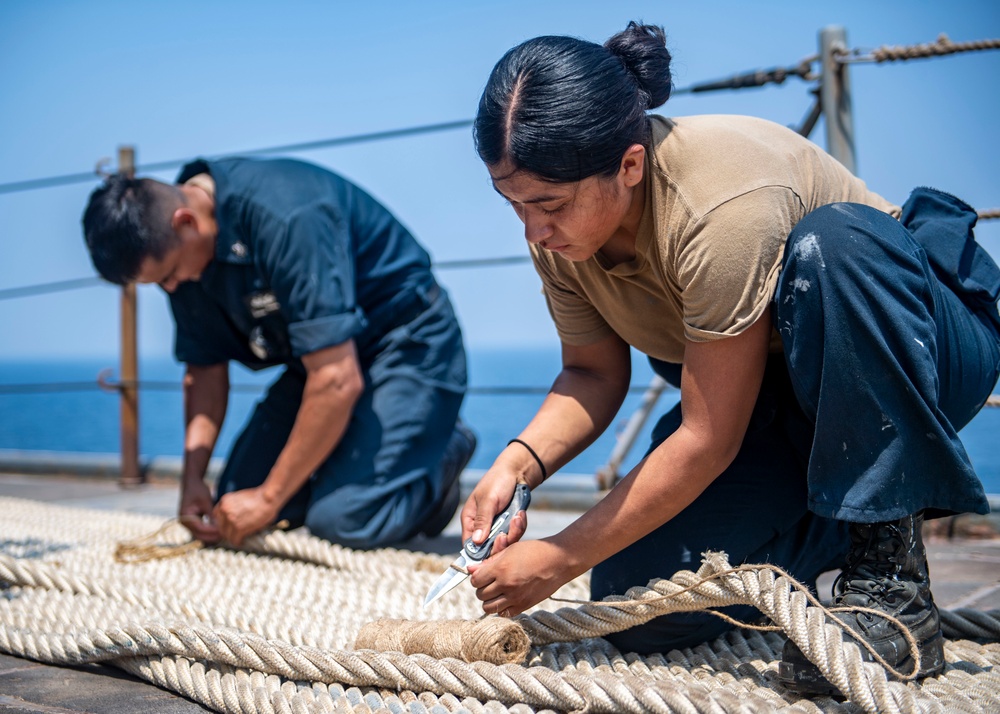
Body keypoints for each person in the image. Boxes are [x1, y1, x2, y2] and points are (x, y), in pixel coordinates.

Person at [461, 21, 1000, 692]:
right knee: (636, 604)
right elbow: (592, 373)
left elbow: (707, 439)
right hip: (780, 405)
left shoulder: (722, 204)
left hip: (922, 354)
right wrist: (517, 464)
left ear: (629, 165)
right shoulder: (560, 238)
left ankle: (891, 583)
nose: (533, 231)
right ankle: (834, 531)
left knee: (831, 245)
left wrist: (557, 556)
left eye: (550, 204)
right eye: (513, 205)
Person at [82, 156, 476, 550]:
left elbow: (337, 380)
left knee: (345, 521)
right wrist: (192, 479)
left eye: (167, 276)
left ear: (186, 222)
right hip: (321, 362)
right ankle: (355, 464)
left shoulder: (288, 216)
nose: (170, 289)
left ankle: (441, 454)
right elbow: (204, 372)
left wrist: (269, 499)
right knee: (232, 503)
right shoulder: (180, 251)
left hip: (406, 340)